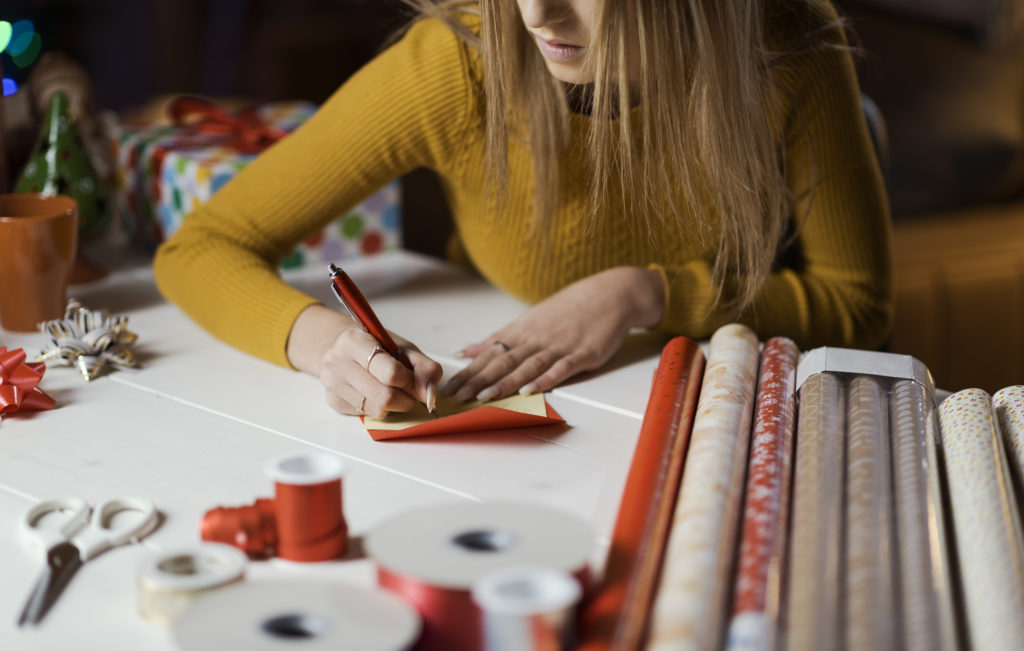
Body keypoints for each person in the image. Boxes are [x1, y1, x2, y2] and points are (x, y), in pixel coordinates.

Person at [153, 0, 891, 419]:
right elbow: (202, 246)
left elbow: (858, 304)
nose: (537, 12)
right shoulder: (460, 59)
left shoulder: (787, 48)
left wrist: (645, 292)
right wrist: (328, 347)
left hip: (728, 417)